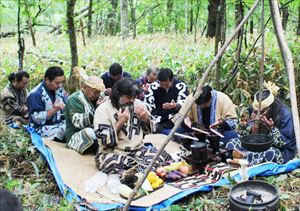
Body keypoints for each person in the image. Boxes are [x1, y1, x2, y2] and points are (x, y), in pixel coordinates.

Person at [94, 78, 171, 174]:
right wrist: (120, 123)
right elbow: (103, 141)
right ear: (118, 95)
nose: (132, 100)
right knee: (112, 163)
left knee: (160, 154)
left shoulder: (138, 104)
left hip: (138, 151)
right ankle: (133, 173)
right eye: (128, 97)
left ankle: (134, 172)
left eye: (134, 97)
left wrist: (146, 118)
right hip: (113, 152)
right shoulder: (103, 109)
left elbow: (152, 129)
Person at [226, 89, 297, 165]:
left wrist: (271, 128)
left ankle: (240, 159)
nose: (259, 115)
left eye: (262, 112)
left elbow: (283, 144)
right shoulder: (252, 111)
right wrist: (255, 125)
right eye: (256, 111)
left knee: (271, 153)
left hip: (281, 151)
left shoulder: (286, 116)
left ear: (270, 108)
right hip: (257, 146)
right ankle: (243, 159)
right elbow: (244, 136)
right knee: (232, 142)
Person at [65, 76, 105, 154]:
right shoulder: (74, 99)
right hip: (77, 135)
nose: (96, 95)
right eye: (94, 91)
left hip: (97, 132)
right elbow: (77, 123)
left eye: (98, 92)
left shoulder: (100, 97)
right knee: (89, 132)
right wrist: (98, 110)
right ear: (84, 87)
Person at [27, 66, 67, 142]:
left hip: (58, 123)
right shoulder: (35, 94)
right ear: (47, 79)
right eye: (57, 82)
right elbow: (36, 119)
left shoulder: (59, 89)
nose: (60, 85)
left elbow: (67, 100)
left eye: (61, 82)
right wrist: (54, 110)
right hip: (40, 128)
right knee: (62, 131)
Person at [144, 68, 189, 134]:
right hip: (158, 120)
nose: (164, 87)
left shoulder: (181, 86)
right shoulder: (153, 87)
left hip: (175, 118)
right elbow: (148, 104)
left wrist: (175, 105)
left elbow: (184, 102)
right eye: (161, 84)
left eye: (166, 85)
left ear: (172, 80)